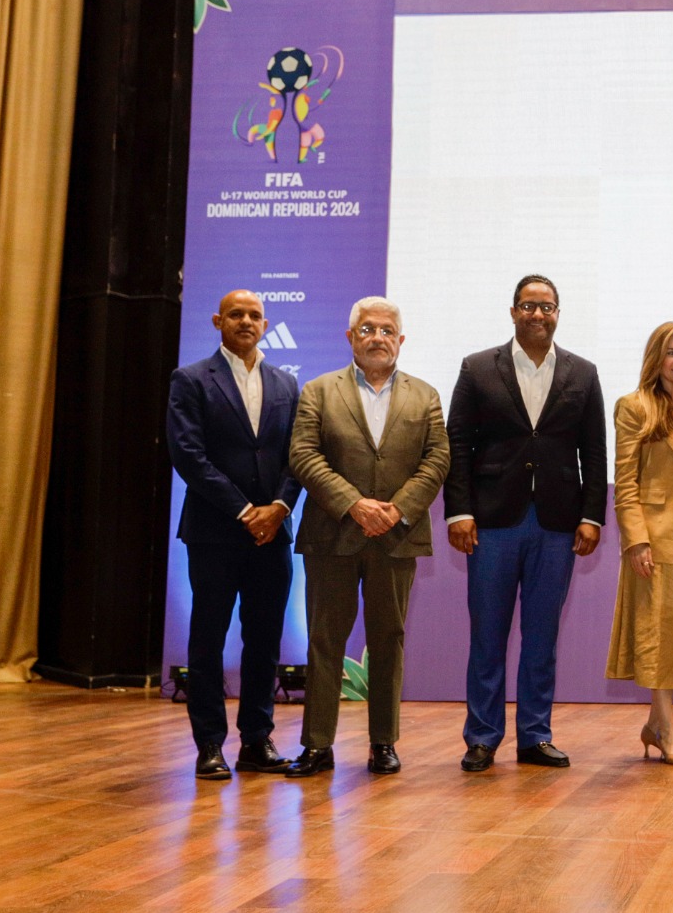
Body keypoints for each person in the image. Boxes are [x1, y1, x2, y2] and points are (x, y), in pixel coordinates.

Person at [445, 275, 607, 771]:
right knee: (487, 636)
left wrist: (592, 516)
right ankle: (482, 737)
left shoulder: (584, 372)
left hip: (558, 524)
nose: (538, 314)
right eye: (529, 306)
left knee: (541, 638)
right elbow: (457, 444)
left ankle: (535, 736)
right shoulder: (477, 368)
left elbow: (595, 452)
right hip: (492, 522)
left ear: (558, 313)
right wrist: (459, 511)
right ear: (513, 311)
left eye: (547, 306)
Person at [284, 296, 450, 777]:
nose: (377, 337)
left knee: (388, 639)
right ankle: (317, 745)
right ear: (350, 337)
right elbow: (303, 454)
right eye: (367, 329)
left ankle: (383, 743)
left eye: (386, 330)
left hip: (396, 536)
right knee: (324, 640)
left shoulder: (425, 395)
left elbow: (438, 458)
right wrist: (355, 505)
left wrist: (397, 509)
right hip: (332, 535)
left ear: (401, 339)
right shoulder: (318, 390)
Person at [165, 289, 301, 780]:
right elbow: (188, 455)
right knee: (208, 641)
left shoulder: (287, 383)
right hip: (215, 533)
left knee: (264, 642)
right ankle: (209, 745)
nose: (246, 321)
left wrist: (279, 507)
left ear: (265, 324)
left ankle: (256, 741)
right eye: (236, 314)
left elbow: (298, 454)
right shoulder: (190, 379)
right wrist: (246, 511)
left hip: (273, 533)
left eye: (255, 315)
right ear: (217, 321)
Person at [605, 322, 673, 766]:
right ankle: (668, 729)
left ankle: (655, 723)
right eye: (672, 352)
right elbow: (625, 481)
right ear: (657, 358)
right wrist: (636, 539)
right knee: (659, 627)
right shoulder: (634, 406)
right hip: (656, 532)